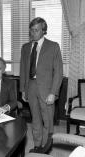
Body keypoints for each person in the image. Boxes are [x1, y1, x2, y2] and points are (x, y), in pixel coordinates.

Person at [20, 17, 63, 153]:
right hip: (30, 87)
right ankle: (37, 145)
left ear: (44, 31)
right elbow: (23, 69)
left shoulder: (53, 46)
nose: (33, 33)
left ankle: (46, 147)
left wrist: (53, 92)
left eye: (36, 30)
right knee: (35, 119)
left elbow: (58, 72)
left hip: (47, 89)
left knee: (48, 120)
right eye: (31, 30)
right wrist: (23, 89)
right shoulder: (25, 47)